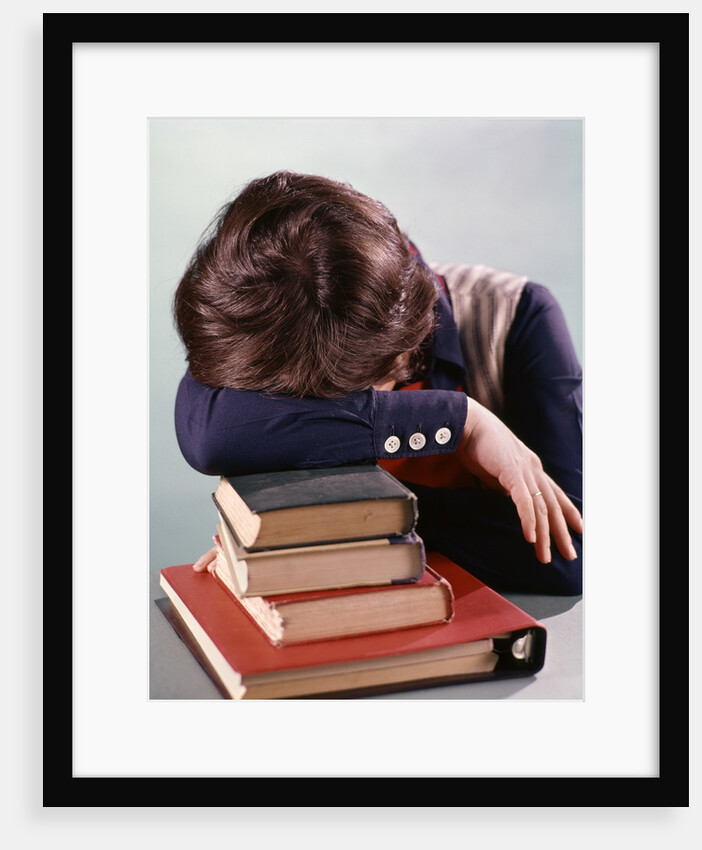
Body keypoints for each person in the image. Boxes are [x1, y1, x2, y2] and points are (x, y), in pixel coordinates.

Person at [173, 170, 583, 595]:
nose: (324, 416)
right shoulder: (260, 329)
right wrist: (461, 421)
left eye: (342, 401)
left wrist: (313, 521)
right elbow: (211, 437)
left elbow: (569, 554)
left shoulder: (518, 314)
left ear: (406, 348)